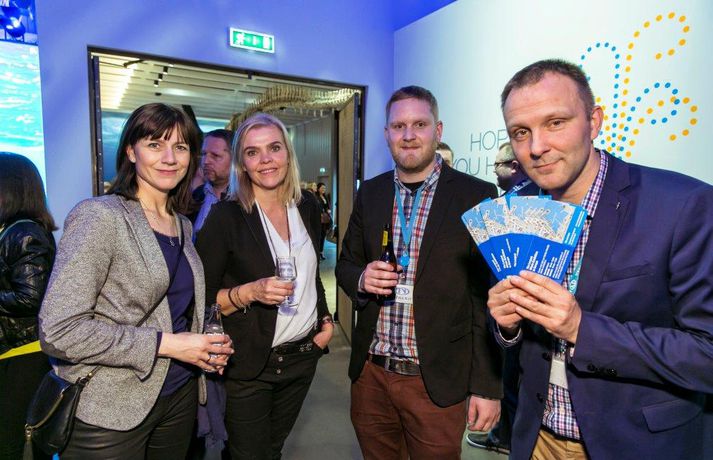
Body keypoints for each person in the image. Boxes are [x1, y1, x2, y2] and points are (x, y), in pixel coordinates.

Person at [488, 59, 713, 459]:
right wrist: (507, 326)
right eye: (521, 132)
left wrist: (581, 329)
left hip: (634, 445)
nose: (536, 147)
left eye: (556, 122)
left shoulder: (681, 205)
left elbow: (706, 354)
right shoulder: (516, 209)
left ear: (594, 122)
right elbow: (520, 344)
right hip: (537, 440)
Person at [39, 103, 233, 459]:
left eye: (180, 147)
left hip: (179, 394)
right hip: (111, 405)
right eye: (155, 144)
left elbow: (175, 308)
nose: (170, 158)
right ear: (131, 151)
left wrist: (205, 343)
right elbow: (59, 330)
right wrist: (168, 344)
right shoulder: (100, 216)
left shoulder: (181, 224)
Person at [335, 85, 502, 459]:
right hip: (371, 375)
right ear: (387, 134)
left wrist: (487, 386)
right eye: (398, 126)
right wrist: (361, 278)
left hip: (436, 381)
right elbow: (345, 264)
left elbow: (487, 299)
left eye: (419, 124)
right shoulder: (371, 193)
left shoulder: (476, 196)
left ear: (437, 130)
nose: (408, 135)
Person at [196, 113, 334, 459]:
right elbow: (198, 298)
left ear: (288, 153)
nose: (266, 159)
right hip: (250, 364)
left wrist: (325, 321)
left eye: (274, 148)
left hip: (303, 356)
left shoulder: (306, 205)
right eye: (253, 152)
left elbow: (311, 273)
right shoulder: (226, 217)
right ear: (242, 164)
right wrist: (251, 292)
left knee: (273, 451)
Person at [467, 140, 529, 454]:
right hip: (510, 314)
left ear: (514, 167)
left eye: (498, 166)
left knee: (512, 380)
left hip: (510, 313)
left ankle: (505, 438)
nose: (494, 172)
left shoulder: (514, 205)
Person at [0, 152, 56, 460]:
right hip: (16, 350)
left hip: (24, 353)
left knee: (13, 440)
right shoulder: (16, 229)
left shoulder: (24, 232)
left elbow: (30, 297)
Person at [192, 128, 233, 234]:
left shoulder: (245, 201)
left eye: (215, 156)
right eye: (204, 154)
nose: (206, 161)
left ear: (235, 160)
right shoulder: (196, 196)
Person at [315, 182, 332, 260]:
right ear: (318, 189)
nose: (323, 189)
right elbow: (318, 207)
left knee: (323, 236)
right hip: (319, 219)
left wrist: (328, 210)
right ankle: (317, 253)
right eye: (322, 188)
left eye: (324, 188)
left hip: (325, 219)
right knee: (319, 236)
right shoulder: (316, 197)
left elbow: (327, 206)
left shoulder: (325, 196)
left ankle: (321, 252)